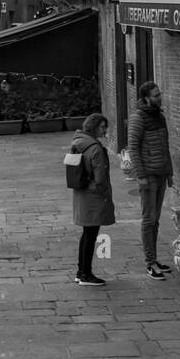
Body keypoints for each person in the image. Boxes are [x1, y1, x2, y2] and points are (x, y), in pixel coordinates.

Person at [127, 82, 174, 280]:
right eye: (155, 95)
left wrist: (169, 172)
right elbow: (133, 147)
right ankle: (150, 263)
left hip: (161, 174)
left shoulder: (159, 116)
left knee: (155, 220)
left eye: (159, 94)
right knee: (149, 219)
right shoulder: (138, 118)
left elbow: (165, 146)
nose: (159, 97)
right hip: (148, 176)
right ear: (146, 98)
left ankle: (154, 258)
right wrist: (141, 176)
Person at [70, 114, 115, 286]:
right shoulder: (95, 148)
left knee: (86, 234)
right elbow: (101, 177)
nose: (105, 130)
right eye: (103, 127)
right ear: (94, 127)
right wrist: (104, 193)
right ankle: (86, 274)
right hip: (94, 196)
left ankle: (81, 271)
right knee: (91, 235)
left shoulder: (78, 142)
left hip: (81, 193)